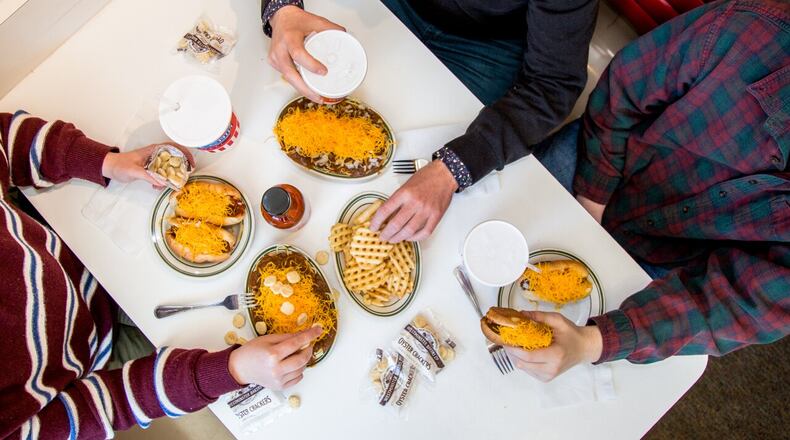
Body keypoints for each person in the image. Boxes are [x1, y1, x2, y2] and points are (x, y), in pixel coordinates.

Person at [501, 0, 790, 381]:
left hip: (672, 257)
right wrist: (593, 198)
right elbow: (623, 88)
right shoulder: (753, 31)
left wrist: (593, 342)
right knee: (482, 233)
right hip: (601, 161)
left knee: (559, 381)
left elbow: (751, 303)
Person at [0, 112, 322, 438]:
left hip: (77, 257)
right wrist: (232, 370)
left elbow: (7, 140)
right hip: (94, 361)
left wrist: (107, 163)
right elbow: (107, 406)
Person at [261, 0, 598, 242]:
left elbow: (553, 83)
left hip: (486, 43)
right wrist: (283, 10)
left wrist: (454, 169)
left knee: (403, 159)